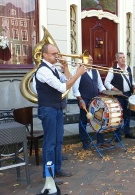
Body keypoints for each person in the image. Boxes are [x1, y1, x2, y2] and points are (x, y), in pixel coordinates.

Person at [35, 43, 86, 180]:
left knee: (58, 141)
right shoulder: (43, 71)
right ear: (45, 55)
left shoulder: (54, 69)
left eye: (57, 53)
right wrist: (79, 73)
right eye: (53, 54)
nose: (57, 56)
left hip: (56, 108)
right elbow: (63, 88)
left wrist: (67, 69)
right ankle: (48, 175)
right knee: (50, 142)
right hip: (48, 109)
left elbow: (68, 81)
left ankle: (57, 169)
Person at [72, 55, 106, 150]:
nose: (90, 62)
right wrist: (80, 100)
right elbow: (75, 88)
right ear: (83, 61)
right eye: (88, 60)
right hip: (84, 99)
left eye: (91, 60)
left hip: (95, 99)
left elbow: (101, 86)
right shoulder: (79, 71)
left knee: (100, 119)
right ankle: (84, 142)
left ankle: (100, 140)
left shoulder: (96, 71)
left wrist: (107, 92)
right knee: (83, 120)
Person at [104, 52, 135, 141]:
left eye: (124, 57)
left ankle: (127, 132)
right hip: (118, 96)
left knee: (128, 114)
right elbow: (106, 83)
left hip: (128, 95)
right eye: (120, 57)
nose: (123, 59)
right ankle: (117, 135)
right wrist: (114, 88)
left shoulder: (128, 68)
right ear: (117, 60)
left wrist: (133, 85)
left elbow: (132, 80)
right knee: (119, 115)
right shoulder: (113, 69)